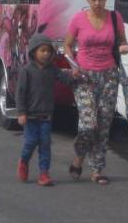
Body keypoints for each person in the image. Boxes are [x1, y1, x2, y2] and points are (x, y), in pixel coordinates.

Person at [63, 0, 128, 185]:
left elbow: (122, 41)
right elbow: (66, 45)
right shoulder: (78, 19)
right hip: (84, 76)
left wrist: (124, 47)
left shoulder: (115, 18)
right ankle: (79, 157)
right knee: (88, 123)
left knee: (103, 124)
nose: (97, 3)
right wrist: (72, 66)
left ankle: (97, 170)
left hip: (109, 76)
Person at [16, 33, 80, 186]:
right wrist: (21, 113)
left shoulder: (52, 69)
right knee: (31, 142)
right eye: (42, 50)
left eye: (48, 51)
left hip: (46, 116)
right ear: (33, 52)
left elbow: (64, 78)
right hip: (30, 116)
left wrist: (74, 75)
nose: (46, 54)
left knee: (45, 144)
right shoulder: (27, 70)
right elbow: (20, 93)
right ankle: (24, 161)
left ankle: (44, 173)